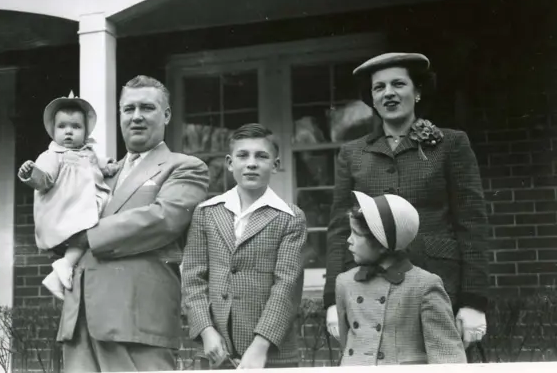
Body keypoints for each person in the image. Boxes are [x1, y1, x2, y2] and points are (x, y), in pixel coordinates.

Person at [324, 52, 490, 349]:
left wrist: (474, 301)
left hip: (440, 283)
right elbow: (339, 230)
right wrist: (333, 301)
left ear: (417, 91)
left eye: (398, 84)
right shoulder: (353, 153)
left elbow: (472, 223)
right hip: (370, 289)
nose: (388, 93)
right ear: (371, 99)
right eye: (379, 87)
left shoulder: (451, 144)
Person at [56, 75, 210, 372]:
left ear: (166, 114)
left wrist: (86, 235)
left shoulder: (185, 167)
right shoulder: (100, 173)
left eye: (147, 108)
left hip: (137, 319)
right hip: (81, 318)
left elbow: (162, 218)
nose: (136, 117)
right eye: (128, 109)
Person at [183, 123, 307, 370]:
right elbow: (193, 278)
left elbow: (287, 287)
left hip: (271, 353)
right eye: (243, 155)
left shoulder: (290, 217)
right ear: (230, 163)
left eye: (261, 156)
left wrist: (260, 346)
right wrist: (206, 330)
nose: (251, 163)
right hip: (217, 350)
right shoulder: (207, 212)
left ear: (275, 164)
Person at [336, 191, 466, 365]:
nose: (349, 240)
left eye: (357, 234)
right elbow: (348, 344)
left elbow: (447, 355)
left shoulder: (424, 285)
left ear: (382, 244)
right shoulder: (345, 283)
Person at [18, 91, 118, 300]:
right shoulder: (52, 156)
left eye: (76, 127)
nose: (69, 132)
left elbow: (100, 165)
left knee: (89, 236)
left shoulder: (88, 152)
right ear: (53, 131)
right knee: (86, 235)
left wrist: (108, 167)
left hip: (85, 208)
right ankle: (63, 266)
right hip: (65, 210)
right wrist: (32, 173)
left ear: (86, 130)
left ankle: (62, 271)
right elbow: (44, 180)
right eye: (62, 127)